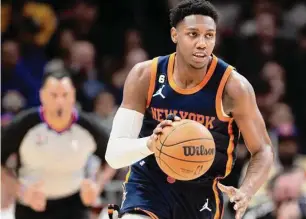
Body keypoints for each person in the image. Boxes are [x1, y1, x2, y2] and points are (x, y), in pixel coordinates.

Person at [105, 1, 274, 219]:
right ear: (175, 35)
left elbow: (263, 150)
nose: (202, 43)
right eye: (193, 34)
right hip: (148, 186)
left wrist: (247, 190)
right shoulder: (145, 76)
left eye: (209, 35)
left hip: (200, 193)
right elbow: (114, 155)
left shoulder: (233, 88)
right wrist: (151, 144)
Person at [1, 70, 116, 219]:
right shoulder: (24, 125)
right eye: (54, 95)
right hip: (30, 206)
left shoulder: (88, 127)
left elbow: (113, 158)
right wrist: (19, 190)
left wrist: (97, 186)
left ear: (73, 96)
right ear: (42, 95)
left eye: (65, 95)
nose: (60, 102)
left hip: (74, 205)